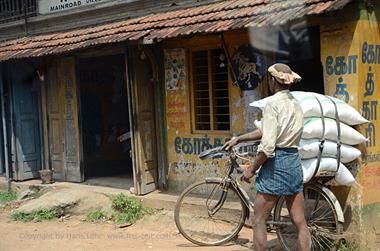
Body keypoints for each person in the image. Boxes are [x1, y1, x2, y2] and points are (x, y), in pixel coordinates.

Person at [223, 63, 311, 251]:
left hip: (276, 164)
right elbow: (265, 130)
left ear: (272, 81)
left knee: (258, 219)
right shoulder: (295, 103)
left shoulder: (272, 104)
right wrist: (239, 138)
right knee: (300, 221)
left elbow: (268, 147)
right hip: (293, 161)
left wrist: (251, 170)